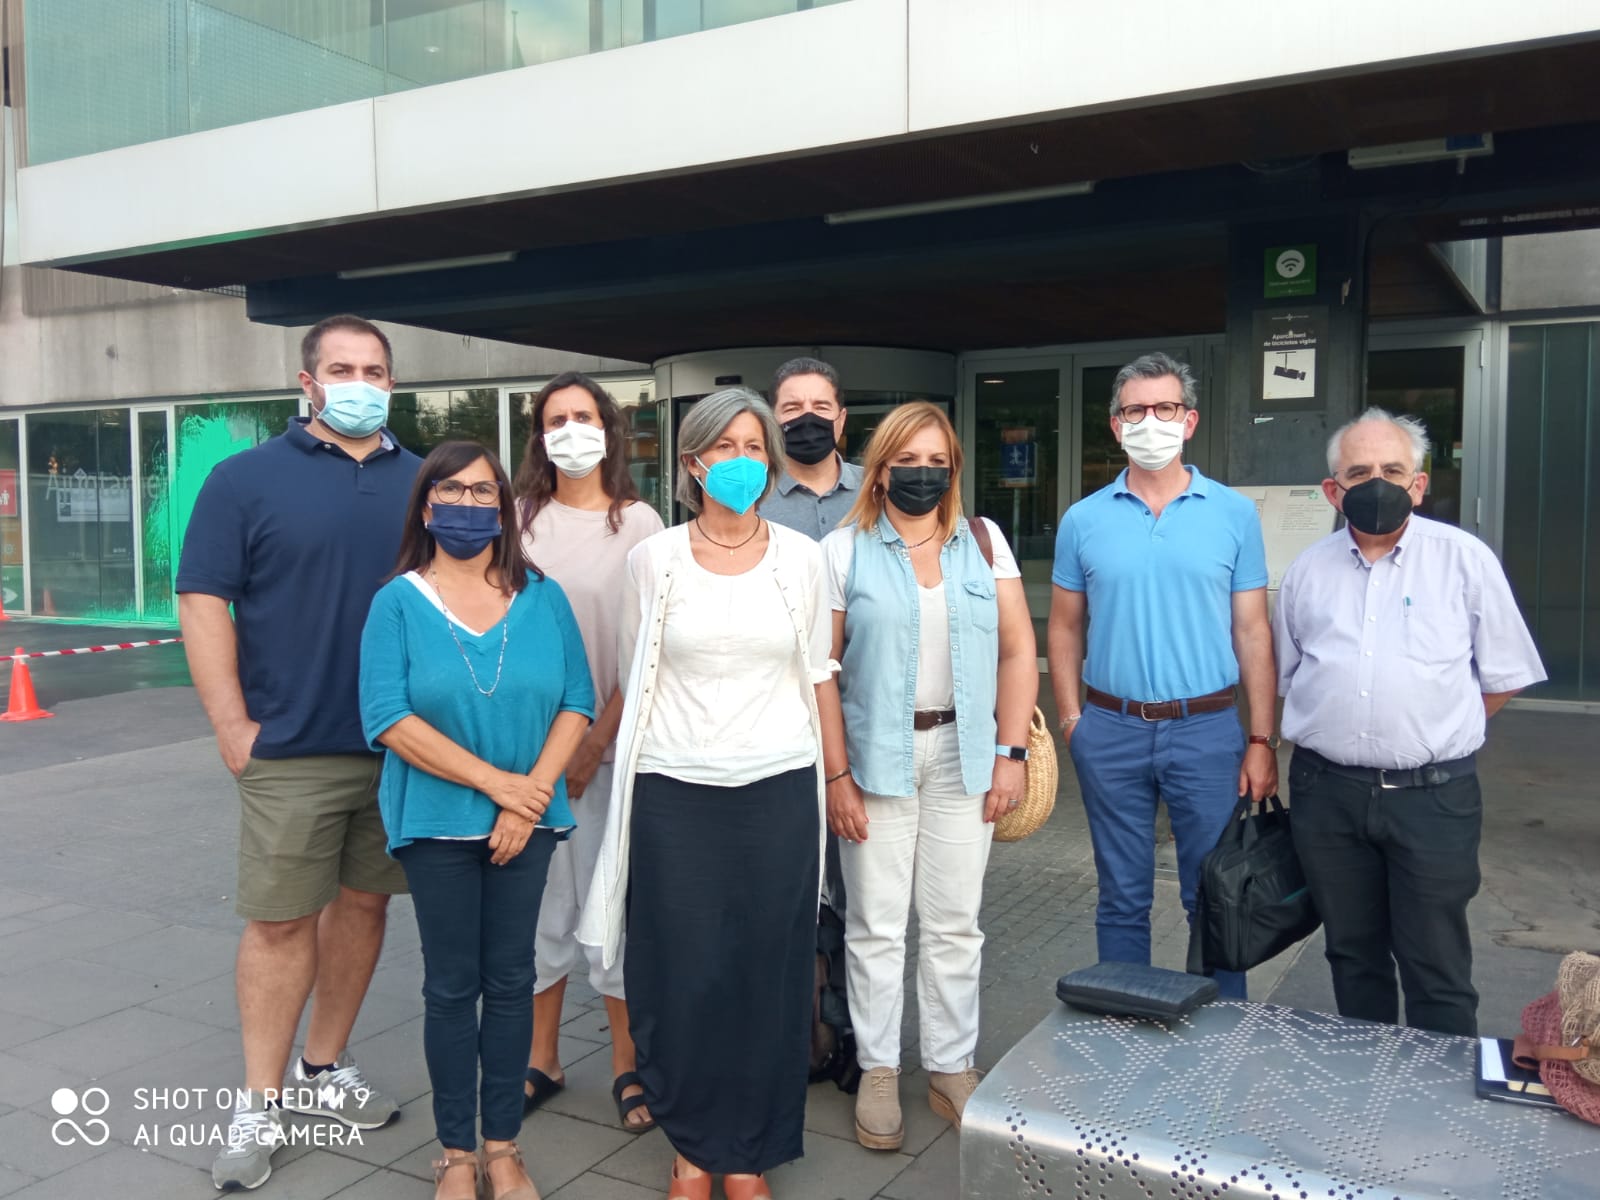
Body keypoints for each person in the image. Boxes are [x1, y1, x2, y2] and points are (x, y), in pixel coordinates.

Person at [578, 388, 839, 1200]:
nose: (740, 462)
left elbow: (821, 676)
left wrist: (839, 775)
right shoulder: (654, 560)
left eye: (753, 447)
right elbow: (634, 673)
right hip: (673, 792)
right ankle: (692, 1144)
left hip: (778, 791)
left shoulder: (803, 557)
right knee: (684, 971)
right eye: (721, 448)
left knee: (768, 973)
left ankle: (748, 1153)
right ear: (692, 464)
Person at [176, 314, 417, 1192]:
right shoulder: (245, 480)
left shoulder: (425, 482)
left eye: (377, 370)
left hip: (401, 748)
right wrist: (231, 723)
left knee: (365, 909)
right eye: (343, 368)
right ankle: (258, 1103)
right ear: (307, 382)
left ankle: (325, 1068)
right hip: (291, 747)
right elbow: (202, 600)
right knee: (279, 921)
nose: (361, 382)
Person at [360, 440, 595, 1200]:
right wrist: (500, 784)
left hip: (526, 825)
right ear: (425, 506)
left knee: (514, 978)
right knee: (451, 988)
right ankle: (456, 1153)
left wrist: (528, 799)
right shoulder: (397, 601)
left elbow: (577, 702)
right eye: (450, 493)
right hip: (436, 826)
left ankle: (504, 1146)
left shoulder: (543, 596)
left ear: (504, 507)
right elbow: (388, 718)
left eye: (483, 493)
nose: (468, 506)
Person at [1273, 408, 1545, 1037]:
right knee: (1352, 953)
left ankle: (1439, 1107)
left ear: (1419, 485)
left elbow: (1503, 676)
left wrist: (1434, 729)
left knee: (1436, 963)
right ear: (1332, 491)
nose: (1378, 482)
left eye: (1393, 470)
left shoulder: (1464, 561)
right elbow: (1291, 677)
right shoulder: (1307, 573)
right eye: (1359, 471)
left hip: (1434, 799)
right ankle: (1370, 1088)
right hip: (1328, 795)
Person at [820, 401, 1038, 1151]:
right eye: (906, 461)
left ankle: (950, 1066)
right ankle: (880, 1070)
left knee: (954, 924)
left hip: (964, 754)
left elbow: (1017, 651)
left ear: (953, 468)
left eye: (936, 461)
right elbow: (821, 672)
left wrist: (1011, 755)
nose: (923, 473)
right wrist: (835, 777)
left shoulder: (985, 542)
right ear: (879, 469)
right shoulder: (842, 550)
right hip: (876, 757)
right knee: (875, 926)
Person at [1046, 352, 1276, 1001]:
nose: (1151, 421)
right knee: (1121, 896)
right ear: (1116, 425)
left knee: (1216, 897)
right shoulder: (1083, 520)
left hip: (1206, 731)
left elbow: (1253, 631)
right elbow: (1063, 627)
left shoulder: (1232, 514)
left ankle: (1220, 1037)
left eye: (1165, 408)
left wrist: (1262, 739)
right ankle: (1127, 1031)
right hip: (1110, 728)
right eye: (1136, 410)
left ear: (1190, 419)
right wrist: (1072, 721)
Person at [512, 372, 663, 1131]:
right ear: (539, 436)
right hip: (530, 756)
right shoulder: (516, 521)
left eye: (584, 415)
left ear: (609, 427)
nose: (571, 429)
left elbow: (648, 651)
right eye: (555, 419)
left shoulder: (641, 524)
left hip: (611, 746)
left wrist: (596, 739)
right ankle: (541, 1057)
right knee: (543, 905)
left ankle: (627, 1062)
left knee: (613, 900)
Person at [758, 356, 864, 540]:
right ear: (772, 421)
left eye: (821, 407)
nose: (808, 418)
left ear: (842, 419)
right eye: (792, 408)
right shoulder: (753, 495)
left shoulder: (876, 486)